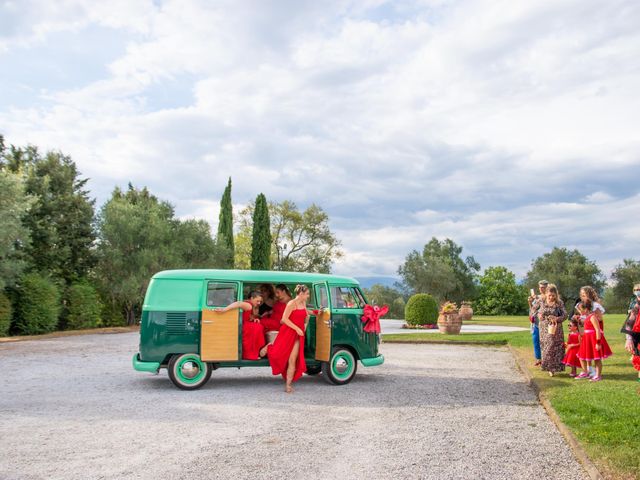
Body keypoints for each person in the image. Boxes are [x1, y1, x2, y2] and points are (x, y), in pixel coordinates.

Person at [261, 284, 310, 393]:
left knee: (292, 360)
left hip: (298, 335)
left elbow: (306, 317)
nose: (308, 296)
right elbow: (284, 319)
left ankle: (288, 384)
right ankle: (270, 347)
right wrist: (297, 328)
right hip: (287, 332)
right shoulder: (291, 303)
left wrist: (304, 327)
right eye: (307, 294)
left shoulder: (303, 303)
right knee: (278, 354)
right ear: (301, 294)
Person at [214, 291, 265, 360]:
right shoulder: (249, 305)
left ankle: (253, 353)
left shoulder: (249, 304)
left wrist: (253, 319)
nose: (259, 303)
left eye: (260, 301)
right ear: (252, 298)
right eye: (257, 301)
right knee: (258, 327)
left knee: (258, 326)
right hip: (244, 325)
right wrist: (224, 309)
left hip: (246, 323)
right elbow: (238, 303)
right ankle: (252, 354)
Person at [576, 299, 612, 381]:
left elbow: (597, 330)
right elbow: (585, 327)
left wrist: (598, 342)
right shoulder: (587, 317)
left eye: (580, 310)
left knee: (597, 358)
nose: (579, 312)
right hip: (587, 339)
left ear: (586, 309)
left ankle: (598, 375)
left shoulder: (592, 317)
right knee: (581, 356)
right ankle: (585, 372)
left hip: (594, 339)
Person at [537, 283, 567, 376]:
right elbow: (534, 311)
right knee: (546, 347)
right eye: (549, 295)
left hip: (555, 328)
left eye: (553, 295)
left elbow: (565, 315)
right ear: (546, 294)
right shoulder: (541, 301)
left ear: (556, 295)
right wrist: (539, 315)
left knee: (554, 347)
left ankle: (554, 368)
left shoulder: (559, 303)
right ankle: (548, 367)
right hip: (544, 328)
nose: (551, 297)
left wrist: (556, 318)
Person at [622, 283, 640, 382]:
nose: (638, 291)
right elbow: (629, 323)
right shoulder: (636, 306)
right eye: (636, 290)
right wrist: (628, 339)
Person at [528, 280, 548, 367]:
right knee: (535, 341)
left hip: (545, 323)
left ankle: (545, 359)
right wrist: (529, 302)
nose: (540, 289)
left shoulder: (549, 296)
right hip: (535, 322)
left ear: (547, 287)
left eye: (543, 287)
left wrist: (537, 298)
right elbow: (533, 309)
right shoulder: (537, 297)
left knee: (544, 342)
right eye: (540, 287)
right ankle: (538, 359)